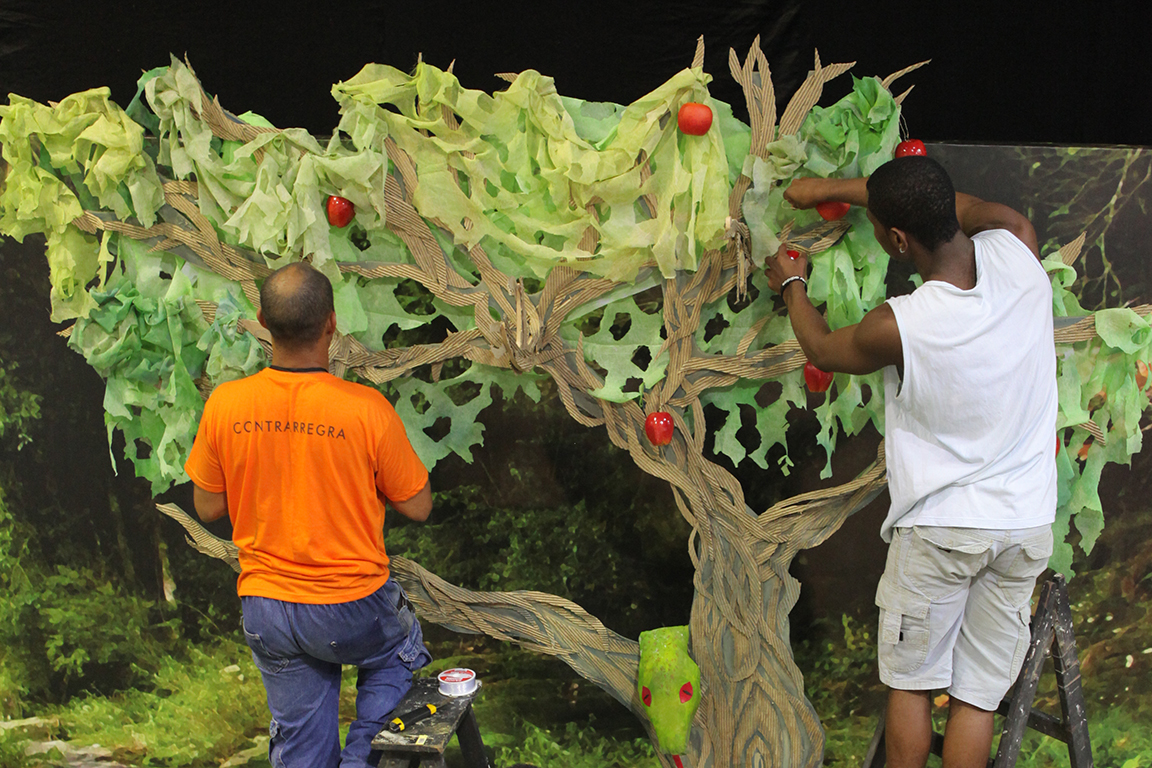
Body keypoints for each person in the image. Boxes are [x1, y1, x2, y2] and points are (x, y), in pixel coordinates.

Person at [765, 157, 1056, 768]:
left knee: (914, 685)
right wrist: (830, 190)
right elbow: (967, 209)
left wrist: (792, 282)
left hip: (943, 529)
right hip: (1024, 524)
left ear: (897, 240)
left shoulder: (900, 325)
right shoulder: (1018, 246)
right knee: (976, 698)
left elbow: (822, 348)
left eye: (878, 225)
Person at [185, 261, 434, 768]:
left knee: (300, 750)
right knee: (400, 647)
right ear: (331, 323)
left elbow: (207, 506)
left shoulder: (226, 405)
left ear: (263, 322)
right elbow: (418, 505)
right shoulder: (366, 409)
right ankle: (366, 758)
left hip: (268, 610)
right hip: (352, 606)